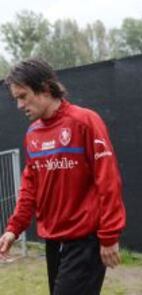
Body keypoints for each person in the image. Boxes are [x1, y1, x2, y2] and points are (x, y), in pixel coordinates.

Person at [0, 58, 126, 295]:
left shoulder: (85, 121)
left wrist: (109, 235)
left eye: (23, 96)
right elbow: (30, 187)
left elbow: (108, 181)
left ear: (46, 88)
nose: (19, 105)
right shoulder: (33, 134)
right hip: (54, 242)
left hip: (85, 242)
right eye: (16, 98)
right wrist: (13, 228)